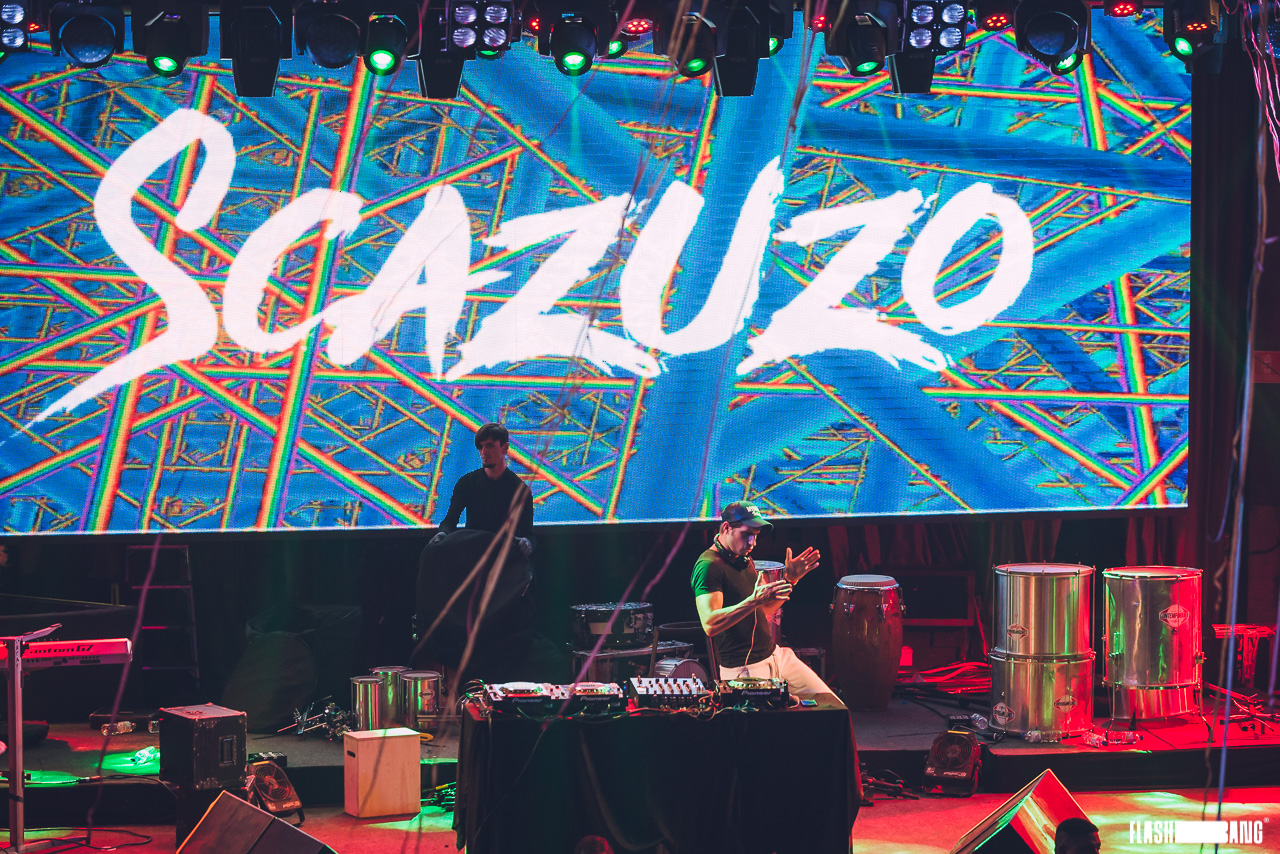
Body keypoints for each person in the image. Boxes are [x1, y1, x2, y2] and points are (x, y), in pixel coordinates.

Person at [691, 501, 832, 697]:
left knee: (829, 703)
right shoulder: (709, 566)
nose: (753, 543)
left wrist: (791, 579)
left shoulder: (743, 559)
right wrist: (754, 600)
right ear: (727, 528)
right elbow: (710, 624)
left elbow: (763, 610)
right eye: (746, 534)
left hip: (775, 655)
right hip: (745, 668)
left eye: (755, 536)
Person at [431, 422, 533, 555]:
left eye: (489, 446)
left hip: (505, 557)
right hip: (473, 553)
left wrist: (527, 542)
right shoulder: (466, 483)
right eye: (480, 447)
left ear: (505, 448)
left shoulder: (520, 490)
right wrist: (443, 533)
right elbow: (450, 520)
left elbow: (529, 535)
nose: (484, 452)